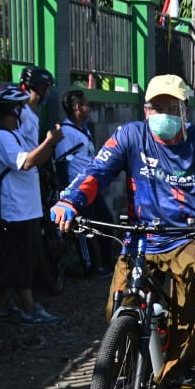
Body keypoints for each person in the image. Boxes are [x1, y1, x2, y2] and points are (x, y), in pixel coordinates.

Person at [51, 74, 195, 386]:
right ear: (145, 110)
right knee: (118, 305)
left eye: (171, 107)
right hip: (141, 238)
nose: (163, 114)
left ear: (184, 111)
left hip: (188, 236)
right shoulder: (129, 136)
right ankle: (126, 364)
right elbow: (96, 172)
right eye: (156, 107)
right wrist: (70, 201)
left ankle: (191, 365)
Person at [0, 84, 64, 325]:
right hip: (12, 210)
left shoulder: (14, 135)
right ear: (14, 110)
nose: (23, 111)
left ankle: (4, 306)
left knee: (22, 259)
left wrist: (50, 144)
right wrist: (49, 141)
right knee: (18, 260)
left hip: (25, 208)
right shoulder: (0, 137)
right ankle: (30, 308)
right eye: (20, 107)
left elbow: (37, 159)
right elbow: (27, 162)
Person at [55, 88, 114, 276]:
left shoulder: (83, 129)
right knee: (84, 229)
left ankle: (107, 261)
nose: (89, 108)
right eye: (86, 104)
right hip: (77, 188)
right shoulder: (66, 132)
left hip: (91, 186)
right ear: (76, 107)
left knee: (106, 222)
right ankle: (90, 266)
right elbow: (62, 161)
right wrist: (66, 192)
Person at [19, 66, 54, 144]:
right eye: (48, 89)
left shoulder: (31, 114)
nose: (49, 93)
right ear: (40, 88)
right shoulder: (23, 115)